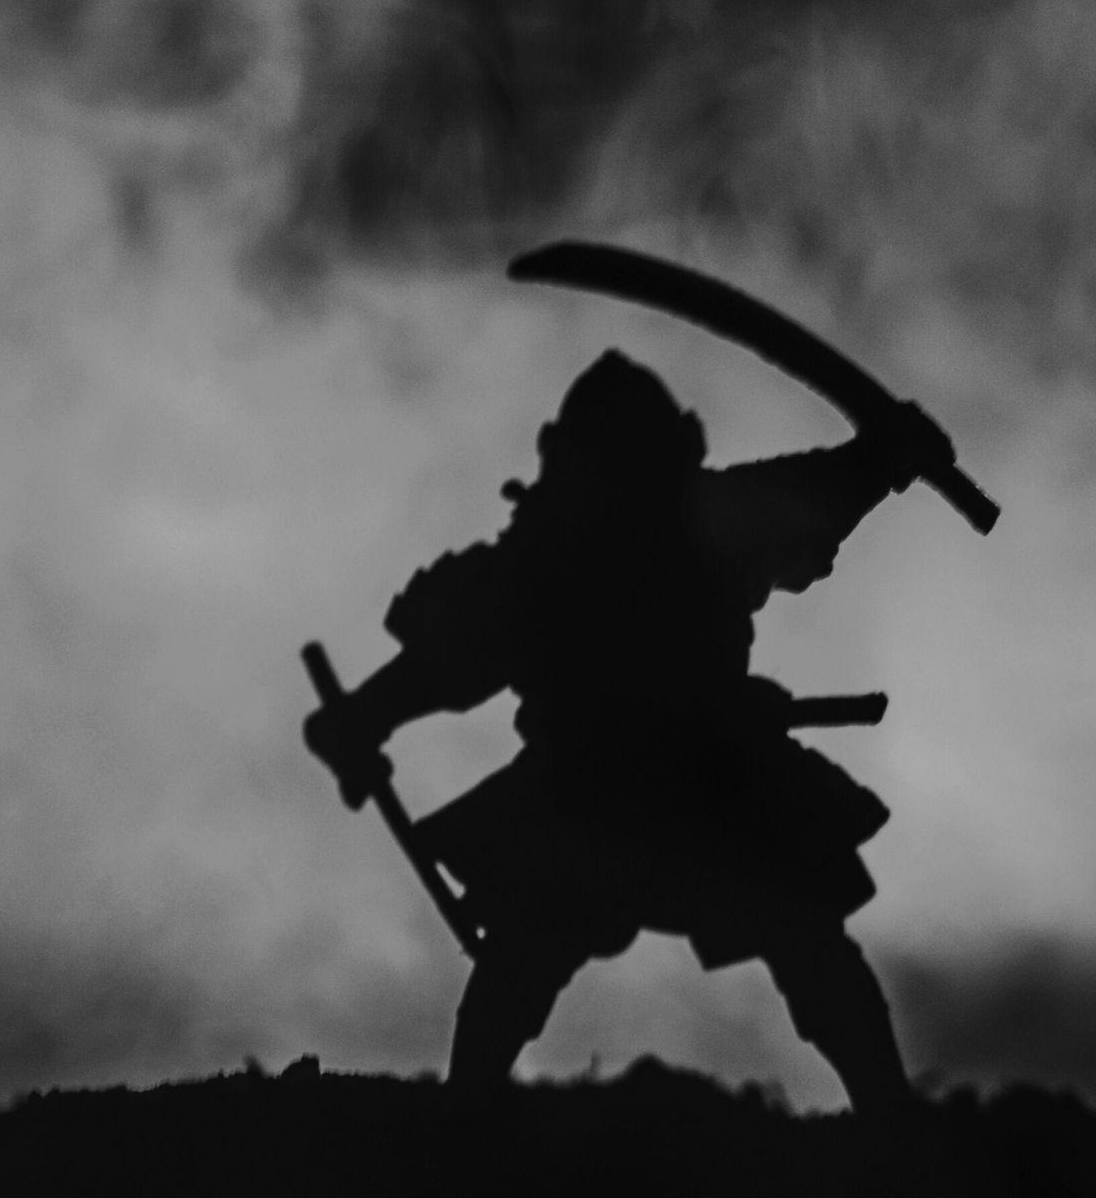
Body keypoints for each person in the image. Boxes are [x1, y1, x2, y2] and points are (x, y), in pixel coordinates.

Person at [302, 350, 952, 1112]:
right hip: (603, 785)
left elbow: (816, 492)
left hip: (692, 778)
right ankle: (468, 1110)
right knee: (538, 950)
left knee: (798, 940)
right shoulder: (571, 550)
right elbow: (452, 657)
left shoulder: (646, 531)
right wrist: (365, 718)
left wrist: (881, 458)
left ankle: (887, 1111)